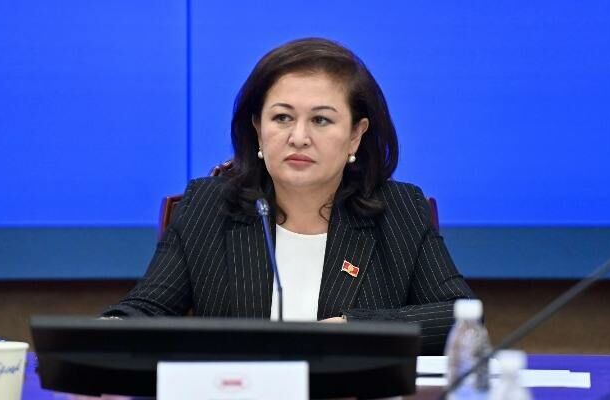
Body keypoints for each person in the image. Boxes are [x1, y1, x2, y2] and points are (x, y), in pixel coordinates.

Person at [103, 37, 475, 355]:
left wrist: (350, 329)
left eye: (321, 120)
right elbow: (147, 308)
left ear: (355, 135)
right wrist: (109, 331)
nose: (298, 137)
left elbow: (460, 316)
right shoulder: (210, 206)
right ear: (257, 128)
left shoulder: (398, 210)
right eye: (282, 118)